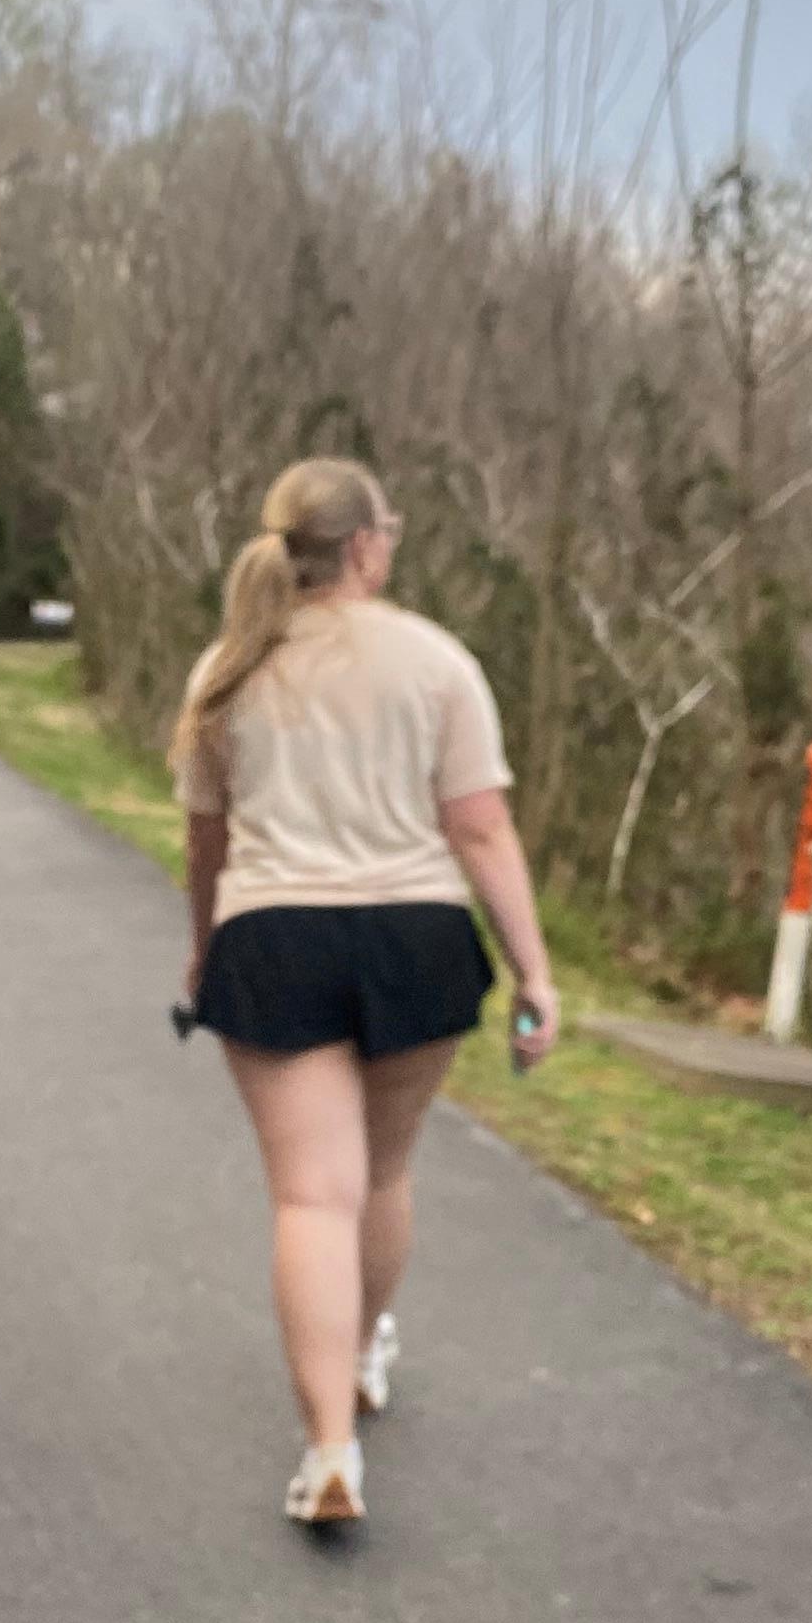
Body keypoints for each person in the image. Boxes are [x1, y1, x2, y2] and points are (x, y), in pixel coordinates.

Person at [174, 457, 560, 1529]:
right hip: (416, 936)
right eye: (388, 527)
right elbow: (480, 826)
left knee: (311, 1196)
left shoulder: (230, 666)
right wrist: (533, 969)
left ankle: (329, 1448)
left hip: (274, 936)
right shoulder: (436, 661)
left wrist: (203, 951)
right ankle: (361, 1353)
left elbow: (207, 843)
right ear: (364, 548)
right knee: (381, 1173)